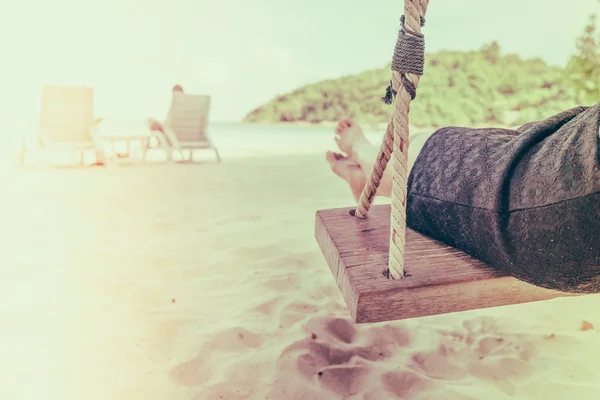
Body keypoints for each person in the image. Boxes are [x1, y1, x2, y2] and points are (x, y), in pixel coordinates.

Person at [328, 104, 600, 294]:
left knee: (431, 151)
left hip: (569, 193)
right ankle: (372, 178)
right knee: (510, 142)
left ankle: (363, 153)